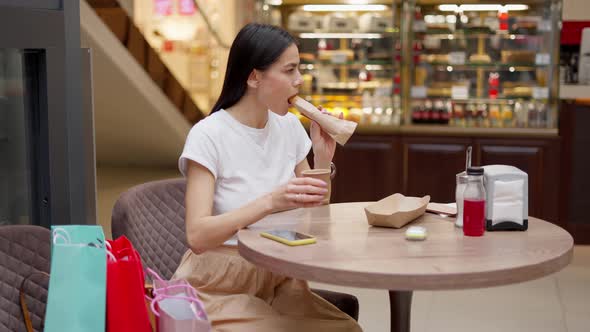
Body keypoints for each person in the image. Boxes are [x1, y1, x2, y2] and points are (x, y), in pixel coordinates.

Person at [172, 23, 362, 331]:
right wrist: (271, 202)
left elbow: (318, 204)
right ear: (254, 76)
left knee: (346, 329)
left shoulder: (287, 127)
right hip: (219, 284)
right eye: (289, 70)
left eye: (298, 69)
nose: (299, 80)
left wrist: (322, 158)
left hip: (281, 275)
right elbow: (197, 235)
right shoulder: (208, 135)